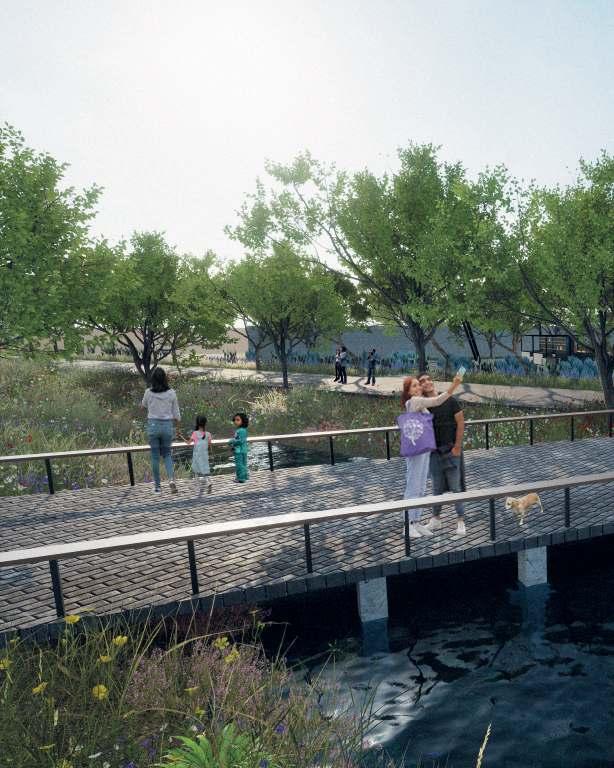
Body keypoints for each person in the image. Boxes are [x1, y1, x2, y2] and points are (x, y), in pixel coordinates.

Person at [400, 373, 462, 538]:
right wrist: (454, 385)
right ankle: (408, 524)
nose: (418, 387)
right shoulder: (415, 401)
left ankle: (416, 522)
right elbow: (437, 401)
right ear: (408, 391)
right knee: (413, 487)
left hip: (423, 450)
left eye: (417, 385)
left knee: (421, 487)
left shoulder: (419, 402)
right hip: (416, 451)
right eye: (414, 386)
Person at [418, 373, 467, 535]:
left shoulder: (449, 400)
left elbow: (461, 422)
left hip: (451, 450)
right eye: (422, 381)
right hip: (434, 453)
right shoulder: (423, 406)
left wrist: (457, 446)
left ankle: (461, 520)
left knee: (456, 487)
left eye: (428, 379)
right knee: (436, 488)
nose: (426, 382)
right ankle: (435, 519)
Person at [141, 367, 181, 493]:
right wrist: (177, 428)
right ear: (165, 379)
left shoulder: (148, 392)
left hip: (153, 426)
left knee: (155, 457)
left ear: (153, 379)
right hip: (167, 426)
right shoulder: (172, 393)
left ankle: (158, 486)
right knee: (167, 454)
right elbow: (177, 414)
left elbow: (143, 406)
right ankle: (171, 480)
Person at [186, 415, 213, 493]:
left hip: (197, 455)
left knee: (196, 470)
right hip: (205, 454)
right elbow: (209, 445)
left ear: (197, 423)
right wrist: (210, 453)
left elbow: (188, 443)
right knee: (204, 470)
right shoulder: (208, 434)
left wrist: (181, 437)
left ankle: (196, 486)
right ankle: (208, 482)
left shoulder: (195, 433)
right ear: (205, 423)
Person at [229, 412, 249, 483]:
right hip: (241, 450)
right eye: (235, 420)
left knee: (239, 465)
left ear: (243, 421)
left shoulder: (241, 430)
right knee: (243, 464)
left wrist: (231, 441)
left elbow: (240, 441)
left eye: (238, 420)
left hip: (239, 451)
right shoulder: (241, 430)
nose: (235, 421)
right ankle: (244, 476)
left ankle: (241, 478)